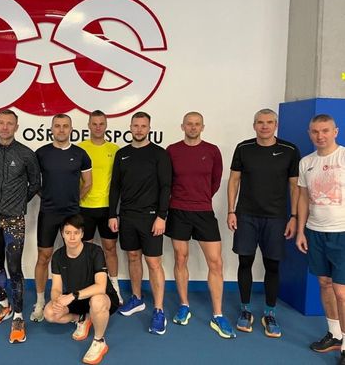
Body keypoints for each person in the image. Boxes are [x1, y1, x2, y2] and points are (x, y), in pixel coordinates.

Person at [227, 108, 300, 338]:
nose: (265, 126)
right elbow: (234, 180)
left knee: (272, 266)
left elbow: (294, 186)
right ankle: (245, 310)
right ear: (254, 125)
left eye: (269, 122)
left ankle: (269, 313)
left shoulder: (289, 150)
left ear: (275, 125)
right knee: (245, 262)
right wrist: (231, 211)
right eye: (260, 122)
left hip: (276, 218)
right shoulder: (243, 148)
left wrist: (294, 217)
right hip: (246, 216)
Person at [166, 112, 235, 338]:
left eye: (197, 124)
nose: (193, 127)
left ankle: (218, 314)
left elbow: (215, 181)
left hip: (204, 211)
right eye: (189, 124)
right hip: (178, 210)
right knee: (181, 258)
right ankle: (184, 305)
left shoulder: (212, 151)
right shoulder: (172, 150)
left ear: (202, 127)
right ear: (182, 126)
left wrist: (201, 198)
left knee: (216, 262)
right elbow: (167, 181)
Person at [0, 110, 40, 343]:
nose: (5, 127)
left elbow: (35, 184)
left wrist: (17, 202)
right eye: (1, 123)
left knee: (14, 268)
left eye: (9, 123)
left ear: (16, 126)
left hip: (14, 218)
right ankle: (3, 305)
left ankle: (18, 316)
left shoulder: (26, 154)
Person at [108, 111, 172, 335]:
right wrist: (113, 214)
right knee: (133, 256)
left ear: (149, 128)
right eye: (135, 126)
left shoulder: (159, 154)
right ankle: (137, 298)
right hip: (127, 216)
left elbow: (166, 187)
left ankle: (159, 310)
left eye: (143, 126)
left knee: (153, 263)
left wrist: (162, 216)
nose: (139, 130)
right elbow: (115, 186)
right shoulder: (122, 154)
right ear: (130, 127)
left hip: (151, 217)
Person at [30, 114, 92, 322]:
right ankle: (40, 301)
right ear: (52, 129)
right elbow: (34, 183)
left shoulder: (80, 154)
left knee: (76, 257)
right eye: (57, 126)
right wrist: (47, 197)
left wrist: (74, 200)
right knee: (44, 256)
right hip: (48, 212)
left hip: (72, 214)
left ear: (71, 129)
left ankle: (76, 302)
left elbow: (88, 183)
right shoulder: (41, 153)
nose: (61, 129)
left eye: (65, 126)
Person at [296, 114, 345, 365]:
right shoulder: (306, 162)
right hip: (315, 231)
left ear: (335, 131)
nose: (320, 136)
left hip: (342, 232)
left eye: (325, 130)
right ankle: (335, 334)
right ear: (309, 133)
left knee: (342, 292)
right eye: (315, 131)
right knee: (324, 283)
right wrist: (301, 230)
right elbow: (303, 198)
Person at [44, 214, 119, 365]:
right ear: (62, 234)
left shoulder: (95, 252)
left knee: (97, 302)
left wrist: (72, 296)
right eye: (68, 233)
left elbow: (100, 287)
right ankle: (82, 318)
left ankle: (99, 341)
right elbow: (56, 288)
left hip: (101, 297)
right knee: (49, 313)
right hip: (76, 299)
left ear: (82, 234)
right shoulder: (58, 256)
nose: (72, 237)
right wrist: (57, 301)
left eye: (76, 233)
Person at [78, 110, 122, 304]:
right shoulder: (80, 148)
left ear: (106, 125)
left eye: (101, 124)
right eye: (94, 124)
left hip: (107, 209)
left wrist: (115, 211)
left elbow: (118, 182)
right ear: (88, 125)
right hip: (84, 208)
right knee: (85, 250)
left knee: (110, 248)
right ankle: (87, 288)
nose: (97, 127)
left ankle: (114, 288)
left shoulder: (115, 149)